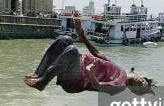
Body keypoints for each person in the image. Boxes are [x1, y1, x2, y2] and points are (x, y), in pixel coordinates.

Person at [24, 18, 154, 94]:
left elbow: (98, 86)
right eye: (142, 81)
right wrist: (81, 35)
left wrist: (90, 72)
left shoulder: (120, 86)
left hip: (76, 81)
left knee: (73, 51)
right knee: (65, 39)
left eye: (140, 86)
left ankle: (42, 82)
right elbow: (98, 54)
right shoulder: (121, 71)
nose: (140, 83)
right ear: (140, 75)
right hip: (77, 64)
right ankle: (38, 75)